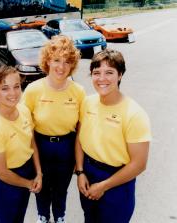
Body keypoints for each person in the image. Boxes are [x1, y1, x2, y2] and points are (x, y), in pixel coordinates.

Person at [75, 49, 151, 223]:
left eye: (109, 72)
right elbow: (80, 137)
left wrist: (103, 186)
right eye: (96, 73)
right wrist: (80, 172)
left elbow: (139, 164)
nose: (102, 78)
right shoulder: (87, 102)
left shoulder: (134, 114)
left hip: (117, 181)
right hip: (88, 173)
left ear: (120, 75)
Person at [22, 35, 86, 223]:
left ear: (72, 65)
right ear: (47, 61)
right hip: (40, 146)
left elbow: (81, 130)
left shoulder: (78, 91)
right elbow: (26, 128)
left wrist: (78, 161)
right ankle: (43, 216)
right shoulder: (33, 90)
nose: (61, 66)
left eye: (67, 62)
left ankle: (60, 216)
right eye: (56, 60)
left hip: (66, 147)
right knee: (41, 186)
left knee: (61, 188)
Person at [0, 65, 42, 223]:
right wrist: (29, 184)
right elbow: (2, 172)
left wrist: (39, 173)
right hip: (5, 184)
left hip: (26, 171)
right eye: (5, 88)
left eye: (16, 86)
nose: (13, 93)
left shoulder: (23, 110)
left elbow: (31, 142)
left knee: (19, 217)